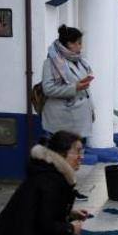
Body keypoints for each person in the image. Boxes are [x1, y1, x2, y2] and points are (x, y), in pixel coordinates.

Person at [41, 25, 94, 200]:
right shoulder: (52, 62)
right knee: (62, 157)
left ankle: (70, 188)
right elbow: (48, 89)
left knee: (76, 157)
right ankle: (60, 190)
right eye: (78, 43)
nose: (81, 47)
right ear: (68, 44)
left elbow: (84, 89)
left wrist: (91, 108)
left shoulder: (78, 61)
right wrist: (75, 87)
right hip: (62, 118)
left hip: (80, 116)